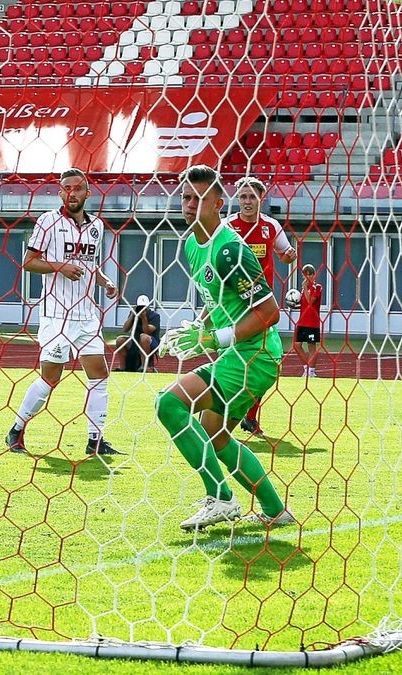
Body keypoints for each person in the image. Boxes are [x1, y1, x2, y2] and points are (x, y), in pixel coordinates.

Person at [156, 164, 294, 531]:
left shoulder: (231, 249)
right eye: (185, 197)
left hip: (255, 356)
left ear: (218, 203)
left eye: (197, 199)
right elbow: (215, 296)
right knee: (215, 436)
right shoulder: (191, 244)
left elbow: (270, 312)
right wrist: (200, 324)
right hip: (239, 356)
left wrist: (215, 339)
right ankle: (276, 511)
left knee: (168, 404)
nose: (188, 204)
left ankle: (221, 499)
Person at [6, 168, 121, 457]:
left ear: (87, 192)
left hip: (86, 316)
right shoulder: (48, 221)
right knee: (51, 377)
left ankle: (95, 441)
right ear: (60, 193)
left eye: (78, 188)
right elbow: (29, 262)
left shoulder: (96, 227)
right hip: (57, 316)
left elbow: (89, 265)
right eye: (66, 188)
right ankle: (16, 430)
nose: (72, 193)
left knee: (99, 375)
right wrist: (60, 267)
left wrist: (105, 282)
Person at [222, 176, 297, 437]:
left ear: (260, 198)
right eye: (242, 196)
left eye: (251, 196)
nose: (247, 201)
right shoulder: (227, 227)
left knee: (263, 363)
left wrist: (289, 257)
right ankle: (231, 414)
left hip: (262, 305)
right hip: (233, 303)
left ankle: (247, 416)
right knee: (240, 361)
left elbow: (286, 255)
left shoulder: (270, 226)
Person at [113, 294, 160, 372]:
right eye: (140, 306)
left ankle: (144, 366)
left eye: (144, 306)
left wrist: (144, 318)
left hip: (151, 343)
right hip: (135, 341)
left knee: (143, 337)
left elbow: (147, 331)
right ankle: (122, 367)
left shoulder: (155, 316)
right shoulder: (134, 314)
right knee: (120, 340)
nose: (142, 309)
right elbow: (125, 329)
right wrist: (132, 315)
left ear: (148, 306)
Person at [292, 263, 323, 377]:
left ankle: (311, 372)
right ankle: (306, 368)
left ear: (314, 275)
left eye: (310, 274)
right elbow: (304, 304)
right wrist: (293, 304)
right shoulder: (302, 290)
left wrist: (305, 288)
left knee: (311, 346)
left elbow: (311, 302)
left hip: (312, 322)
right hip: (302, 321)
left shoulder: (317, 287)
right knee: (296, 345)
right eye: (305, 275)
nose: (308, 277)